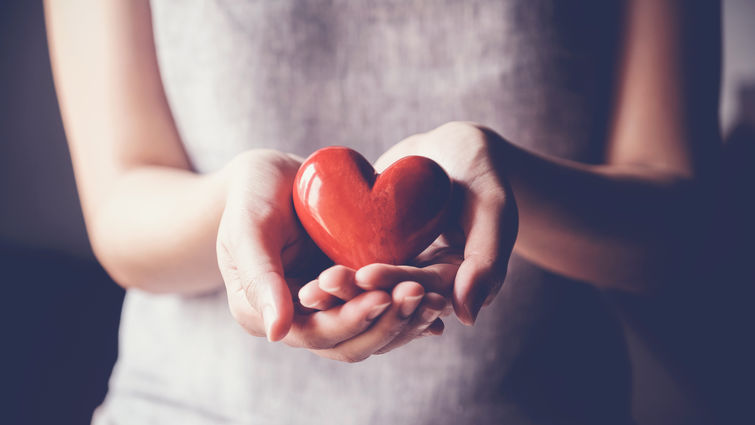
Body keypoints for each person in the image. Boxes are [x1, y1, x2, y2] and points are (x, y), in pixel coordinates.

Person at [45, 0, 720, 424]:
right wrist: (236, 209)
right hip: (189, 407)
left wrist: (503, 180)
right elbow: (118, 207)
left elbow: (673, 234)